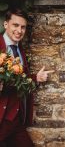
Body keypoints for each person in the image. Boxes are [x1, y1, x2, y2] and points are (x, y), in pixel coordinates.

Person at [0, 8, 52, 147]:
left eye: (23, 27)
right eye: (15, 25)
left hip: (17, 119)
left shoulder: (19, 49)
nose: (19, 30)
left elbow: (20, 79)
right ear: (6, 25)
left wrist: (36, 78)